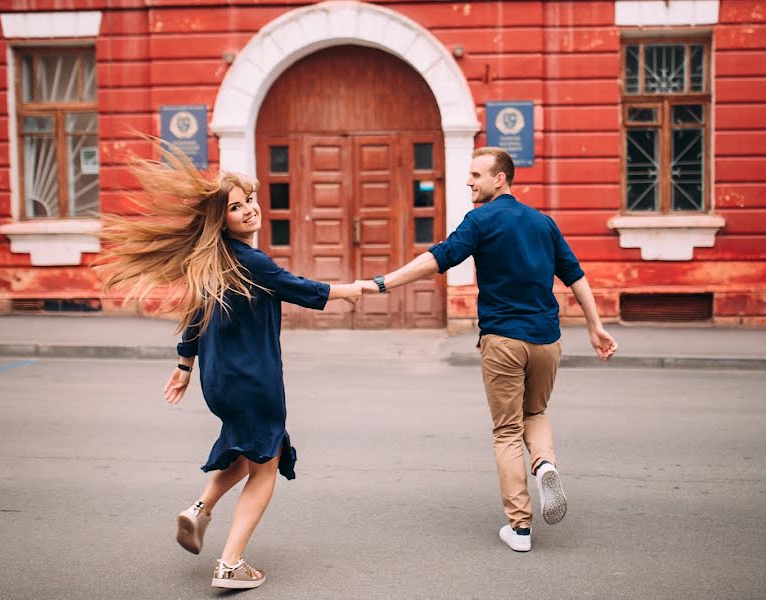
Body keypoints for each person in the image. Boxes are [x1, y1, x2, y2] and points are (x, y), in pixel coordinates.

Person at [97, 142, 361, 589]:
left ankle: (198, 509)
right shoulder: (249, 260)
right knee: (266, 464)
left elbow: (194, 318)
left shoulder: (212, 261)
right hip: (253, 379)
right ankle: (231, 563)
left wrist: (183, 368)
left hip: (218, 379)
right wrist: (352, 289)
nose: (249, 210)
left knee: (245, 450)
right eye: (236, 207)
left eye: (250, 200)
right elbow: (297, 288)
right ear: (222, 220)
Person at [357, 147, 617, 552]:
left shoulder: (480, 220)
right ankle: (544, 463)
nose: (468, 182)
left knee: (507, 431)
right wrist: (595, 327)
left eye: (476, 175)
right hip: (547, 340)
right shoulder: (543, 222)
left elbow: (436, 259)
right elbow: (576, 276)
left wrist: (382, 283)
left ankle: (521, 527)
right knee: (536, 412)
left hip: (503, 340)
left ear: (501, 179)